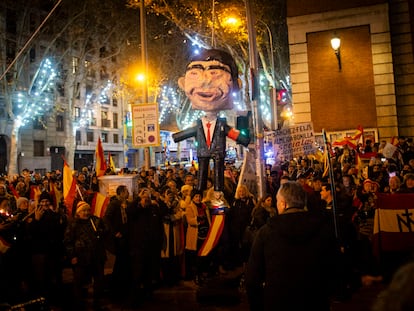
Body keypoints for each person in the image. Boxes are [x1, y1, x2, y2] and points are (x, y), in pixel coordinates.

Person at [246, 182, 340, 311]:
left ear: (283, 204)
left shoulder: (266, 232)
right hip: (314, 301)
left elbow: (253, 276)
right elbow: (335, 268)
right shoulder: (322, 230)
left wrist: (257, 305)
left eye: (278, 201)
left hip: (277, 302)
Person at [172, 49, 250, 192]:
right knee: (202, 171)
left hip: (218, 153)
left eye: (215, 73)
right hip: (203, 152)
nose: (206, 81)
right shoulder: (200, 124)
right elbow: (190, 132)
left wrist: (244, 139)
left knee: (219, 171)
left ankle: (218, 190)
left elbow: (231, 133)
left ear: (236, 85)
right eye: (196, 73)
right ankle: (200, 190)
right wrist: (177, 137)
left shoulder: (221, 125)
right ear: (183, 84)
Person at [64, 201, 108, 310]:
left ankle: (97, 303)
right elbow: (68, 241)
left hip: (96, 257)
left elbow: (105, 231)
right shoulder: (73, 224)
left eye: (88, 210)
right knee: (79, 283)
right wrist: (72, 256)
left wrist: (101, 232)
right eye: (84, 210)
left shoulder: (95, 220)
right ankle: (79, 304)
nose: (86, 212)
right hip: (81, 258)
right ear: (78, 213)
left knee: (98, 282)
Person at [103, 185, 130, 299]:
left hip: (125, 236)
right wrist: (114, 232)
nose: (128, 193)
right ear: (122, 193)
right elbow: (107, 218)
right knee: (119, 259)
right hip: (117, 237)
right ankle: (117, 283)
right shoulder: (114, 204)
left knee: (123, 259)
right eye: (126, 191)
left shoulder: (126, 203)